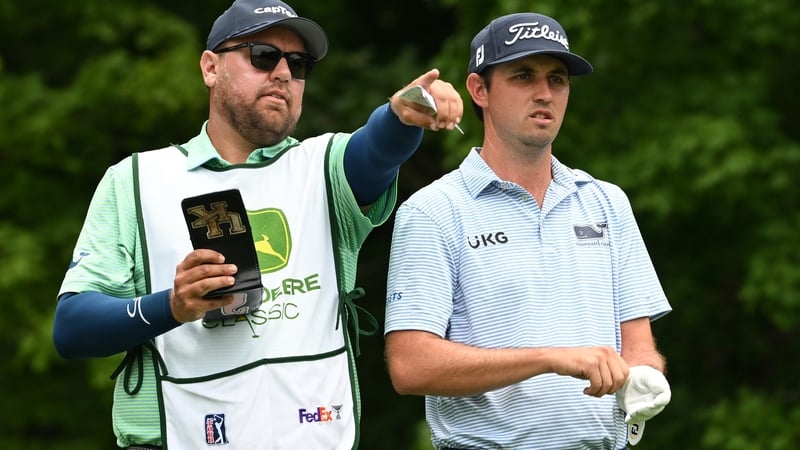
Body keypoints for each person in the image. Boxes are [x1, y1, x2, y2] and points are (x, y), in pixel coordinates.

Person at [52, 0, 462, 448]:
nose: (284, 73)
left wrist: (403, 115)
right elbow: (72, 328)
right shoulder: (136, 179)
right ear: (211, 67)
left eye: (299, 63)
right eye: (263, 56)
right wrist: (172, 306)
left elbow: (376, 150)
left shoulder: (321, 166)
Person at [383, 12, 672, 450]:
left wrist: (645, 374)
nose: (544, 93)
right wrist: (548, 359)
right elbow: (410, 365)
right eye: (523, 76)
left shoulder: (606, 201)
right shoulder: (434, 211)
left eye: (557, 80)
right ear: (479, 90)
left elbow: (638, 342)